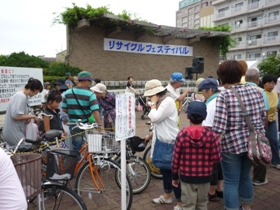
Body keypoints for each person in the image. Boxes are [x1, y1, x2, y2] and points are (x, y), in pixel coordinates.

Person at [212, 60, 266, 210]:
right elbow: (262, 117)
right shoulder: (256, 91)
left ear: (222, 78)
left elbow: (219, 128)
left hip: (231, 146)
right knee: (245, 177)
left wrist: (211, 147)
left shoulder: (224, 96)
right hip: (253, 144)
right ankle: (247, 208)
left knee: (230, 181)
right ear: (241, 74)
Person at [172, 101, 221, 210]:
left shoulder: (182, 134)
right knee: (202, 204)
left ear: (187, 116)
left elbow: (176, 158)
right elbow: (217, 158)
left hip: (187, 176)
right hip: (205, 176)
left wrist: (175, 176)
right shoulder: (212, 136)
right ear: (205, 117)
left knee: (188, 205)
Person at [143, 79, 182, 210]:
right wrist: (150, 135)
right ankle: (167, 196)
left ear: (156, 93)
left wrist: (153, 105)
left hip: (169, 142)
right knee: (165, 171)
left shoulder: (167, 102)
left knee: (172, 173)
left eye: (150, 95)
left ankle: (181, 203)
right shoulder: (162, 102)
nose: (148, 98)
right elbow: (159, 124)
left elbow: (155, 118)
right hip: (162, 141)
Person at [62, 71, 102, 152]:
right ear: (85, 81)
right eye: (89, 81)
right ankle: (88, 163)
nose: (90, 83)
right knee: (92, 146)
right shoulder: (90, 94)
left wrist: (74, 113)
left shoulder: (67, 93)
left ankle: (77, 163)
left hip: (74, 124)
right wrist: (100, 125)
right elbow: (95, 111)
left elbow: (64, 109)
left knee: (76, 147)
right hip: (87, 124)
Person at [198, 78, 224, 202]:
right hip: (222, 140)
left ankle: (211, 192)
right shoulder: (221, 98)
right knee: (219, 167)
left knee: (213, 168)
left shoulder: (212, 104)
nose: (202, 93)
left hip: (213, 141)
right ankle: (220, 189)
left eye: (203, 91)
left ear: (209, 90)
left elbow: (208, 126)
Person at [245, 68, 270, 186]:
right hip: (256, 130)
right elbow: (265, 114)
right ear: (257, 79)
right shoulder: (261, 92)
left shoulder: (237, 90)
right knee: (259, 152)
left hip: (242, 130)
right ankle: (258, 179)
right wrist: (264, 131)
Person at [3, 78, 43, 151]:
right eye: (37, 92)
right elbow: (16, 116)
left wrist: (26, 118)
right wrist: (33, 116)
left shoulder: (21, 95)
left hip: (14, 129)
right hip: (13, 131)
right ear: (34, 89)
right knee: (22, 152)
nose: (36, 94)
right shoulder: (21, 96)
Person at [262, 74, 280, 170]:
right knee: (262, 141)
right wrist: (265, 117)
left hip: (272, 121)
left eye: (273, 83)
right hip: (261, 122)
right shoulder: (262, 93)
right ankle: (260, 160)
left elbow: (276, 106)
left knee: (274, 140)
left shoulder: (275, 94)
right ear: (264, 83)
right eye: (269, 83)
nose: (271, 85)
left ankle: (276, 161)